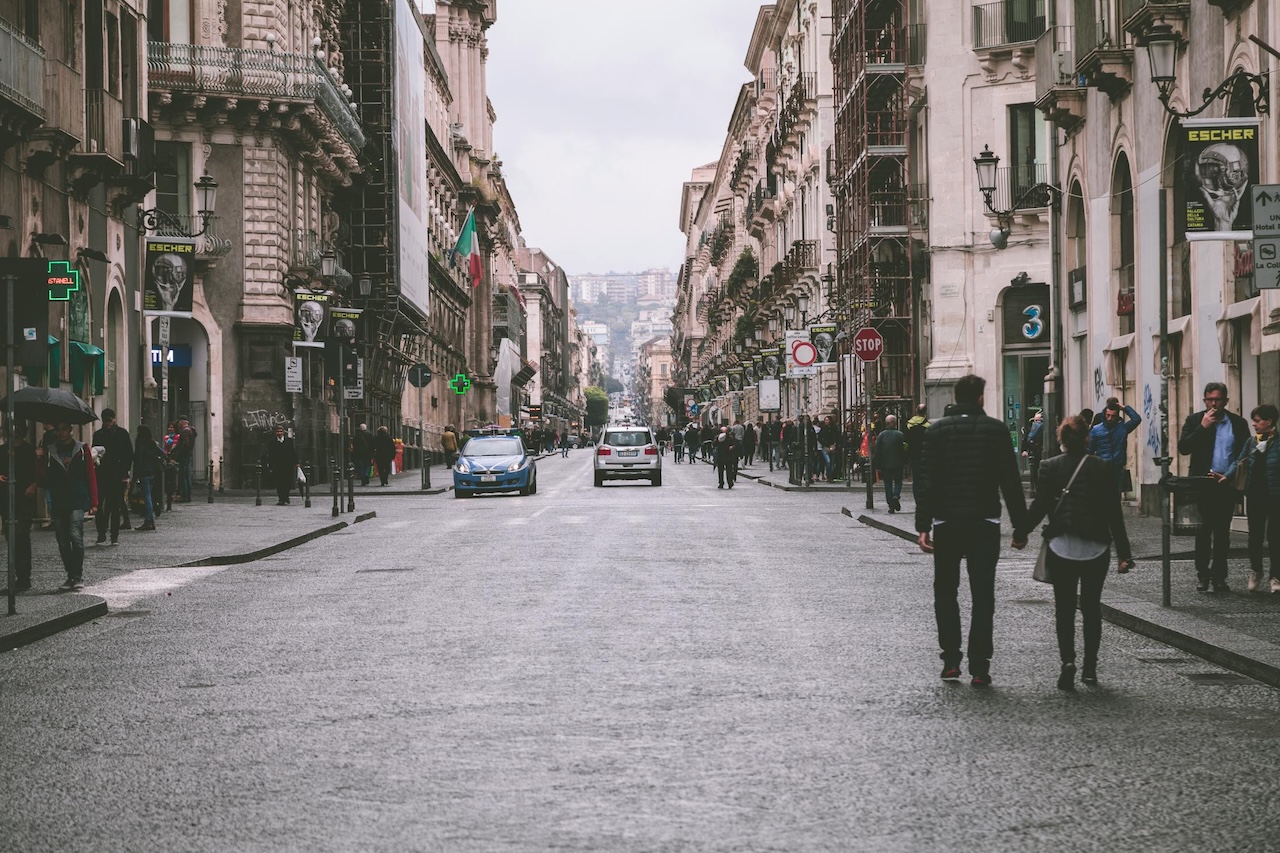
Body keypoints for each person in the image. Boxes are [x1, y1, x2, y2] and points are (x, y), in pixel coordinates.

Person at [914, 374, 1026, 686]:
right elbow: (1010, 482)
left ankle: (951, 659)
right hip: (984, 523)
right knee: (983, 595)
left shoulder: (937, 432)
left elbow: (926, 482)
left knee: (946, 591)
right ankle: (980, 665)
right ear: (980, 398)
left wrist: (923, 526)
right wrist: (1020, 526)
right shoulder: (996, 430)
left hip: (947, 523)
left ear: (954, 395)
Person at [1013, 416, 1134, 689]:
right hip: (1096, 547)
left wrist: (1021, 533)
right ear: (1087, 439)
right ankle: (1090, 669)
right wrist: (1124, 553)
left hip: (1062, 546)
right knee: (1092, 609)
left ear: (1061, 440)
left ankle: (1068, 661)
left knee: (1065, 609)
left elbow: (1041, 506)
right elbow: (1114, 514)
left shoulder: (1049, 466)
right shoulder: (1102, 468)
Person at [1178, 381, 1250, 593]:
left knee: (1222, 534)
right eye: (1210, 400)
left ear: (1226, 401)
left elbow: (1244, 454)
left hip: (1225, 484)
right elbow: (1184, 448)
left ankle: (1219, 576)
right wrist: (1203, 427)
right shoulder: (1194, 420)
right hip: (1202, 484)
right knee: (1202, 532)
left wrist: (1230, 476)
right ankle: (1203, 575)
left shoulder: (1237, 423)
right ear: (1204, 400)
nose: (1214, 404)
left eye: (1218, 399)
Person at [36, 422, 98, 591]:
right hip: (59, 499)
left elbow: (90, 474)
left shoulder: (81, 449)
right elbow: (43, 479)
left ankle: (77, 575)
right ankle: (71, 575)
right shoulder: (50, 450)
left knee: (75, 535)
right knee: (62, 540)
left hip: (77, 498)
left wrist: (94, 501)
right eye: (58, 429)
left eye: (64, 429)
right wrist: (40, 459)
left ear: (70, 430)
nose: (61, 433)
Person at [1225, 404, 1280, 594]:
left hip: (1275, 496)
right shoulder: (1251, 442)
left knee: (1275, 536)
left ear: (1269, 422)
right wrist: (1227, 475)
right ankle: (1256, 570)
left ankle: (1276, 575)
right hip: (1255, 495)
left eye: (1257, 421)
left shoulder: (1279, 443)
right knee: (1255, 536)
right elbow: (1239, 461)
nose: (1254, 424)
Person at [0, 421, 38, 593]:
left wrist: (34, 485)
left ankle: (24, 576)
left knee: (22, 533)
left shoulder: (29, 450)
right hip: (7, 497)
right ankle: (17, 574)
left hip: (24, 498)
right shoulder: (3, 450)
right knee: (10, 535)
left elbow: (37, 472)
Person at [92, 408, 134, 545]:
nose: (108, 423)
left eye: (109, 420)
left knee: (114, 506)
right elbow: (94, 451)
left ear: (114, 419)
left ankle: (113, 535)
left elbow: (129, 454)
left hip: (117, 474)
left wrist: (124, 472)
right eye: (105, 421)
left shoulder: (122, 434)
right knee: (99, 505)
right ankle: (101, 532)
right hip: (102, 473)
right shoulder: (98, 435)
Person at [1087, 397, 1141, 493]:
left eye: (1113, 416)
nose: (1110, 418)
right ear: (1104, 414)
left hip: (1117, 468)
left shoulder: (1122, 428)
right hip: (1101, 468)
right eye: (1108, 415)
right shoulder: (1096, 430)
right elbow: (1089, 450)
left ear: (1117, 416)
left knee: (1116, 497)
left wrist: (1124, 408)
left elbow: (1136, 419)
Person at [131, 424, 165, 531]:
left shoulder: (141, 444)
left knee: (147, 497)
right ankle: (152, 515)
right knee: (149, 495)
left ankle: (149, 520)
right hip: (153, 472)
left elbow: (138, 459)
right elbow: (163, 453)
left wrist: (136, 475)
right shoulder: (152, 443)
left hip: (144, 473)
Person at [873, 414, 907, 513]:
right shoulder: (900, 435)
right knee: (898, 481)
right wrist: (905, 461)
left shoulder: (881, 435)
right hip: (898, 463)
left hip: (885, 464)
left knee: (887, 484)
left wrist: (877, 464)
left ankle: (891, 505)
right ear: (895, 423)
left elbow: (877, 451)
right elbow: (904, 449)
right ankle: (896, 495)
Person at [262, 425, 299, 505]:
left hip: (288, 465)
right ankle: (281, 498)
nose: (279, 433)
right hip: (277, 466)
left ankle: (286, 496)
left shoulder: (289, 441)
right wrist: (271, 467)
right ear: (275, 433)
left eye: (281, 431)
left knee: (288, 482)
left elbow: (293, 452)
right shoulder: (272, 442)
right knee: (279, 483)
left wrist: (297, 463)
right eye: (278, 431)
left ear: (283, 432)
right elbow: (270, 455)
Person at [172, 415, 197, 501]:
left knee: (183, 476)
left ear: (182, 422)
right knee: (186, 476)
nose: (178, 424)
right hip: (187, 455)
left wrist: (177, 451)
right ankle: (187, 495)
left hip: (184, 456)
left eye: (179, 422)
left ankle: (185, 495)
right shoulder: (190, 430)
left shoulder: (185, 431)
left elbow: (185, 444)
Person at [905, 404, 930, 479]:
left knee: (916, 478)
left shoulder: (909, 425)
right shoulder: (928, 426)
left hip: (913, 455)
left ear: (916, 411)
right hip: (925, 455)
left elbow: (905, 441)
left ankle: (916, 490)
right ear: (925, 412)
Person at [1023, 410, 1044, 497]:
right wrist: (1024, 450)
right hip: (1033, 452)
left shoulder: (1044, 430)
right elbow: (1025, 441)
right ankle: (1034, 489)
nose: (1036, 423)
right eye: (1035, 420)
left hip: (1041, 452)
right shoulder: (1030, 430)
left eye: (1038, 420)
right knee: (1034, 472)